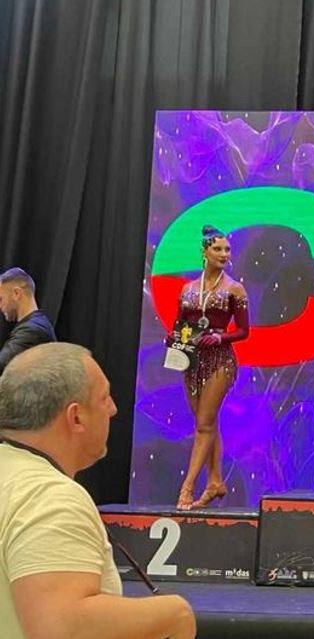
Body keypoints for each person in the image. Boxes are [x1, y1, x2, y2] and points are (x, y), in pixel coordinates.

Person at [0, 343, 196, 639]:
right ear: (76, 417)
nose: (113, 409)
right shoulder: (49, 496)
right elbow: (60, 628)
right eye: (104, 398)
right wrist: (175, 613)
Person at [173, 225, 249, 510]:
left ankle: (187, 487)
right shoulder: (188, 289)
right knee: (206, 422)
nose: (224, 254)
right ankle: (215, 481)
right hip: (192, 360)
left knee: (204, 424)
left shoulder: (234, 288)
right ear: (204, 252)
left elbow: (244, 331)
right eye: (218, 249)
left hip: (220, 360)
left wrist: (219, 337)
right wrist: (173, 339)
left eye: (227, 249)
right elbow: (180, 326)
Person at [0, 267, 57, 375]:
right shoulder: (35, 324)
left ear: (16, 293)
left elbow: (2, 366)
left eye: (1, 299)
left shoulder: (32, 330)